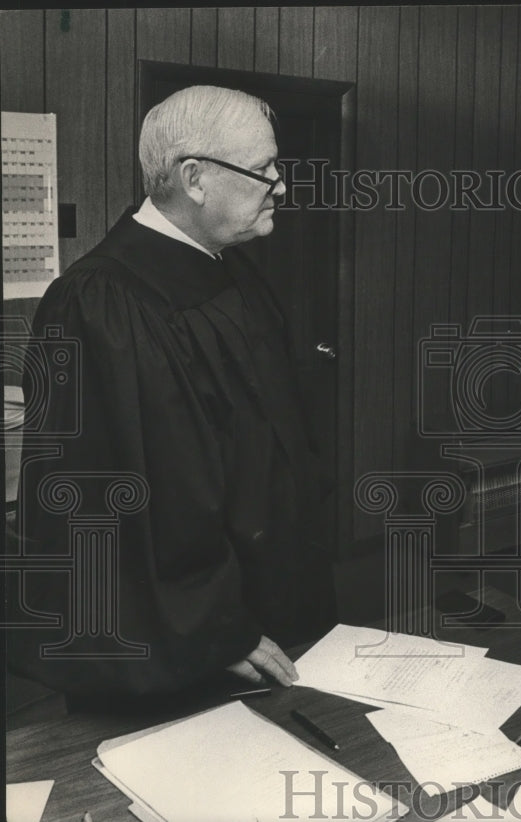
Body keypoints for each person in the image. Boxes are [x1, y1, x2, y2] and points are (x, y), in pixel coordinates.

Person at [10, 85, 337, 703]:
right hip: (196, 640)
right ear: (194, 178)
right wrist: (221, 632)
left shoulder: (231, 267)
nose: (281, 185)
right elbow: (121, 500)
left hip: (272, 606)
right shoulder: (99, 304)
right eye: (263, 169)